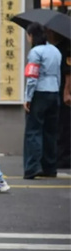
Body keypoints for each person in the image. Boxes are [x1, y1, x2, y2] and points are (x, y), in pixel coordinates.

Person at [23, 22, 61, 179]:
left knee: (33, 130)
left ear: (32, 36)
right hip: (54, 92)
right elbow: (58, 74)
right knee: (50, 132)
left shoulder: (35, 52)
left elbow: (32, 77)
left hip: (39, 92)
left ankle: (32, 167)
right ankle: (50, 167)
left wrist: (27, 98)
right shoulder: (55, 51)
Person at [46, 30, 71, 169]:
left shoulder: (66, 47)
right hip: (56, 89)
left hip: (63, 91)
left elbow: (68, 72)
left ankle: (64, 157)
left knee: (64, 125)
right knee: (58, 124)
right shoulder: (55, 47)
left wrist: (67, 92)